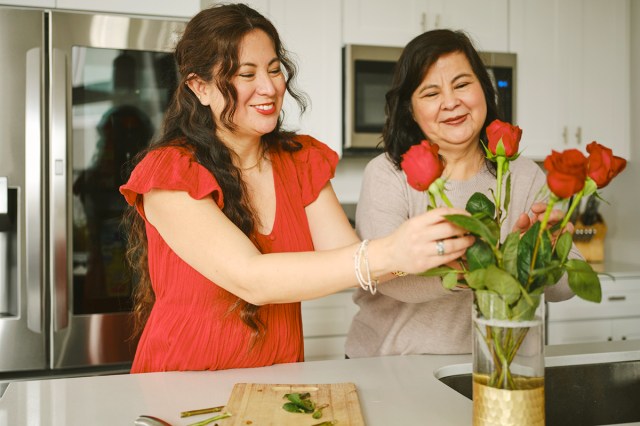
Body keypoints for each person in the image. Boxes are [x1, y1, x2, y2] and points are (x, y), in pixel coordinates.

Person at [119, 4, 475, 373]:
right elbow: (251, 279)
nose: (269, 87)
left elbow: (352, 259)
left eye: (274, 69)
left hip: (278, 379)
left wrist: (456, 253)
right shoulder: (170, 173)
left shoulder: (299, 160)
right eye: (246, 74)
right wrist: (391, 251)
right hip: (181, 383)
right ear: (200, 87)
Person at [345, 29, 580, 359]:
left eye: (461, 84)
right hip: (394, 366)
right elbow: (386, 276)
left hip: (499, 367)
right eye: (430, 93)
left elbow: (566, 288)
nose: (451, 102)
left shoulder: (523, 174)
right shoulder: (389, 174)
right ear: (410, 109)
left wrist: (545, 256)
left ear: (483, 88)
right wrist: (462, 273)